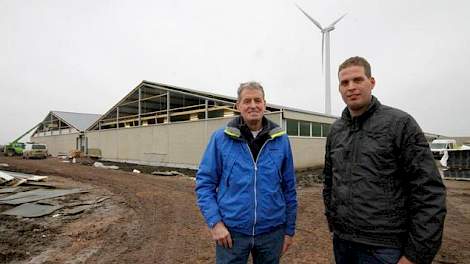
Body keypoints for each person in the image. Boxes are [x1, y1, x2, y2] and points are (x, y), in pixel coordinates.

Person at [323, 56, 446, 264]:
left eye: (357, 80)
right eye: (344, 83)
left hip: (384, 249)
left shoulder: (400, 124)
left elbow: (429, 192)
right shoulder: (336, 131)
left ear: (371, 82)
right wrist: (332, 218)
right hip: (343, 243)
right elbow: (329, 180)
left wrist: (416, 255)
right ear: (339, 88)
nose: (351, 87)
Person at [196, 81, 297, 264]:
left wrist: (289, 230)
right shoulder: (221, 139)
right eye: (247, 101)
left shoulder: (280, 140)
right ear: (238, 106)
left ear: (264, 104)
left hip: (271, 232)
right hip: (232, 232)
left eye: (257, 100)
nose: (253, 105)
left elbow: (289, 188)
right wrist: (215, 223)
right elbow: (205, 184)